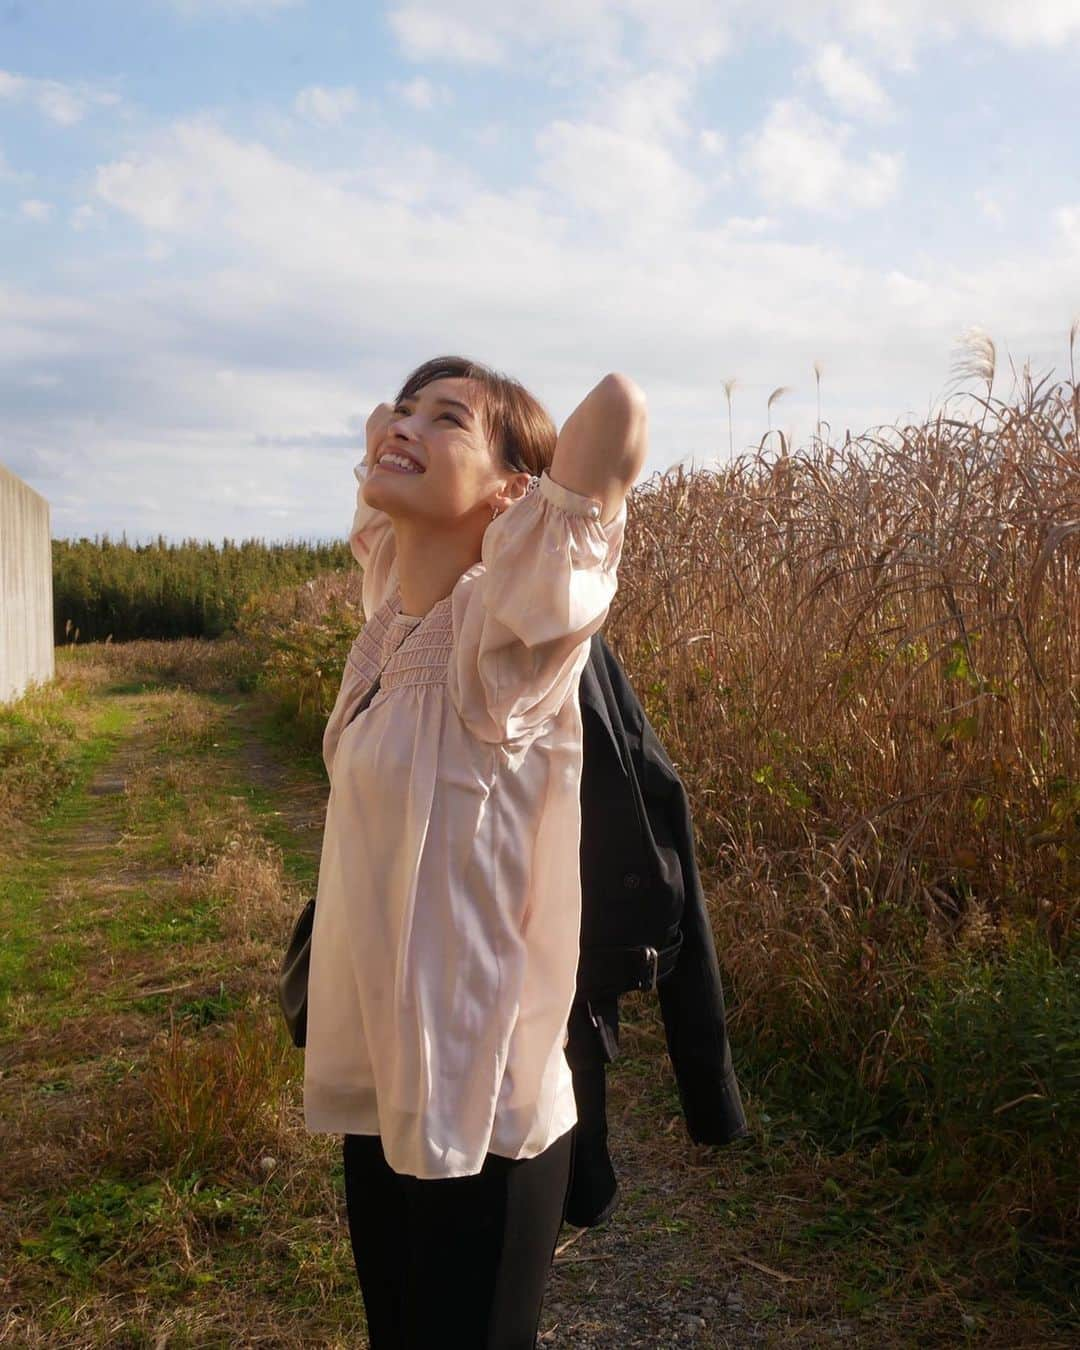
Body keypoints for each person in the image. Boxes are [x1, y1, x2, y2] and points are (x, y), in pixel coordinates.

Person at [304, 354, 647, 1348]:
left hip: (482, 1106)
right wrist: (419, 423)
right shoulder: (388, 618)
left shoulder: (507, 641)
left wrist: (519, 493)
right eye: (402, 412)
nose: (401, 426)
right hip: (386, 1084)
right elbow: (384, 447)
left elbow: (619, 408)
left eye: (446, 419)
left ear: (513, 494)